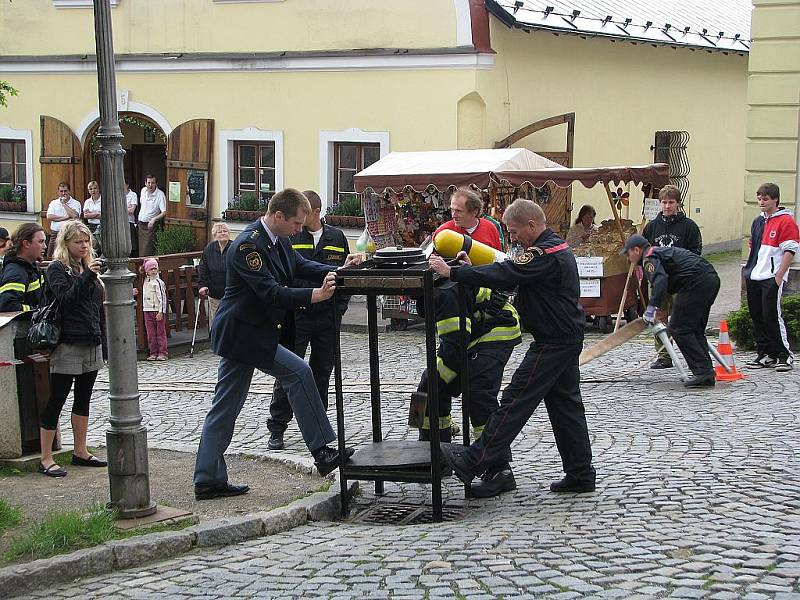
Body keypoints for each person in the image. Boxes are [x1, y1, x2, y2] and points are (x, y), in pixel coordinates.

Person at [193, 188, 363, 500]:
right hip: (243, 334)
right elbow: (271, 293)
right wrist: (316, 295)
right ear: (279, 216)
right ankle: (323, 451)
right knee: (298, 372)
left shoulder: (279, 239)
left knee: (225, 406)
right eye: (297, 223)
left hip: (250, 335)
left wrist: (340, 270)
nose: (301, 229)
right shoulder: (248, 246)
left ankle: (207, 478)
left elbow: (300, 266)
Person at [429, 199, 596, 495]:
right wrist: (472, 269)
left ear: (532, 225)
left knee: (515, 400)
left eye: (515, 231)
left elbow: (508, 273)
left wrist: (453, 273)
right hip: (563, 338)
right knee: (565, 407)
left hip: (553, 342)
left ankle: (474, 460)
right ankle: (581, 473)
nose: (513, 237)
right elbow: (512, 276)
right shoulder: (553, 247)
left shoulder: (544, 253)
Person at [412, 279, 522, 497]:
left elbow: (455, 345)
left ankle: (499, 469)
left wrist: (438, 379)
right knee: (428, 386)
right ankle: (434, 455)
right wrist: (432, 384)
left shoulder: (446, 291)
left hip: (495, 332)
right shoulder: (430, 289)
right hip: (472, 335)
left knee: (478, 394)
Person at [267, 190, 351, 450]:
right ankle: (277, 426)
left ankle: (318, 425)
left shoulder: (336, 237)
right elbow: (286, 275)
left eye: (304, 217)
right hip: (298, 315)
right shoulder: (290, 236)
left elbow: (343, 278)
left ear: (316, 212)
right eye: (297, 220)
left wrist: (338, 310)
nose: (300, 224)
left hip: (327, 317)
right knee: (288, 370)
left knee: (322, 371)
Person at [38, 220, 107, 477]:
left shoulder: (86, 267)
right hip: (67, 341)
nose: (84, 245)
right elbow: (66, 300)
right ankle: (46, 457)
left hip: (90, 340)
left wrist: (103, 340)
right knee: (57, 398)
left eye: (86, 241)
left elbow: (97, 307)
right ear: (66, 243)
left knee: (84, 398)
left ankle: (80, 450)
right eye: (78, 241)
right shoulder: (57, 269)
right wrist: (88, 275)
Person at [622, 234, 720, 387]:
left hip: (695, 283)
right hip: (709, 279)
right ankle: (705, 372)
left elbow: (660, 282)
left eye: (628, 254)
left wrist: (650, 308)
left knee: (679, 327)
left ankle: (703, 372)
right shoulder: (658, 253)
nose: (628, 259)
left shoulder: (649, 258)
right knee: (694, 329)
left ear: (636, 250)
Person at [642, 185, 703, 369]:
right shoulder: (652, 226)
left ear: (678, 203)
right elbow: (646, 252)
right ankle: (664, 355)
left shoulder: (688, 226)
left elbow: (695, 252)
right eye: (664, 202)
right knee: (660, 318)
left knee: (681, 318)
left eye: (671, 202)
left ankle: (689, 354)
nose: (667, 206)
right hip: (659, 280)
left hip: (682, 280)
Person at [742, 183, 799, 372]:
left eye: (765, 199)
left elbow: (790, 250)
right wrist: (749, 271)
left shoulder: (786, 221)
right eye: (759, 198)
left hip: (771, 276)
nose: (761, 202)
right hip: (755, 275)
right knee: (757, 316)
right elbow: (753, 246)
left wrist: (779, 276)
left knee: (772, 316)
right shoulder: (758, 221)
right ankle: (766, 353)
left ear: (775, 200)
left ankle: (784, 355)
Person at [435, 187, 502, 251]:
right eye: (452, 210)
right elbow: (430, 259)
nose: (453, 215)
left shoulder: (490, 228)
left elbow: (500, 259)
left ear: (474, 212)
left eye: (458, 211)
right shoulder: (443, 231)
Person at [0, 223, 46, 312]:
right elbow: (7, 305)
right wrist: (37, 311)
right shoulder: (16, 272)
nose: (45, 246)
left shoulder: (30, 267)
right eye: (41, 242)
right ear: (26, 244)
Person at [197, 222, 231, 329]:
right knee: (216, 323)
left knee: (228, 322)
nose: (223, 233)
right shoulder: (209, 249)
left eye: (225, 231)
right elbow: (203, 268)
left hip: (231, 294)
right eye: (219, 232)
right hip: (214, 293)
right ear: (215, 235)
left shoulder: (234, 247)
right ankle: (215, 344)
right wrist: (202, 285)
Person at [45, 181, 81, 259]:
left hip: (69, 234)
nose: (63, 193)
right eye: (61, 191)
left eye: (65, 191)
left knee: (68, 256)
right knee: (51, 256)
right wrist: (66, 218)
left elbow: (75, 216)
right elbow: (49, 216)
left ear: (69, 191)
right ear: (58, 192)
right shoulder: (54, 203)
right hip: (55, 234)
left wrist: (64, 204)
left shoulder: (75, 203)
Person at [142, 257, 168, 361]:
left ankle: (162, 352)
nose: (153, 271)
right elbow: (141, 270)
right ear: (147, 271)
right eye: (151, 269)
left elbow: (162, 298)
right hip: (147, 310)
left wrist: (161, 311)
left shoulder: (159, 282)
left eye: (155, 269)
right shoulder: (145, 281)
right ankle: (153, 352)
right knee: (151, 334)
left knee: (160, 332)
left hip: (158, 311)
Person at [138, 174, 166, 257]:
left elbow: (164, 212)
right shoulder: (143, 191)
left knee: (147, 251)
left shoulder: (160, 195)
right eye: (148, 183)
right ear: (145, 183)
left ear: (156, 184)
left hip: (151, 227)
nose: (150, 185)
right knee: (141, 250)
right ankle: (141, 268)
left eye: (153, 183)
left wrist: (154, 219)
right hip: (141, 225)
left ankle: (147, 268)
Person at [125, 182, 139, 257]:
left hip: (129, 222)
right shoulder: (117, 195)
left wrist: (120, 208)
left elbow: (131, 210)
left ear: (127, 185)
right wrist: (127, 208)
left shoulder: (133, 195)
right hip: (120, 223)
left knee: (131, 246)